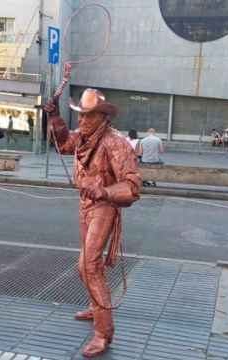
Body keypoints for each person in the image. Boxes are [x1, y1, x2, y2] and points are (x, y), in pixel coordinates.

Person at [46, 88, 141, 358]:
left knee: (89, 266)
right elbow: (63, 143)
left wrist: (105, 192)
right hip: (85, 205)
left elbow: (133, 187)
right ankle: (95, 305)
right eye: (81, 116)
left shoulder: (115, 143)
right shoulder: (85, 137)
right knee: (87, 265)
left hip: (104, 206)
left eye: (88, 116)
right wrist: (54, 117)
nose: (82, 122)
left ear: (103, 117)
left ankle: (103, 332)